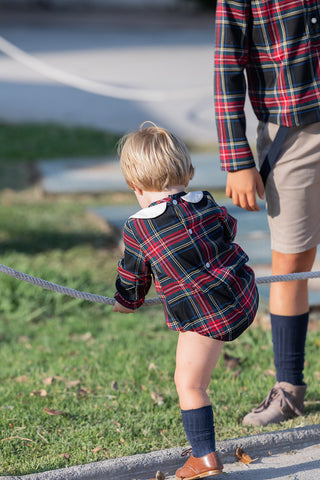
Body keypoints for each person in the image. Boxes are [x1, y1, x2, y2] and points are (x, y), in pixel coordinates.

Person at [113, 122, 259, 480]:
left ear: (134, 185)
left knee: (189, 385)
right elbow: (227, 230)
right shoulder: (206, 202)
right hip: (243, 295)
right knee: (195, 372)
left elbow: (133, 279)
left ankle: (204, 458)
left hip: (205, 315)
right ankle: (203, 455)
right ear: (189, 171)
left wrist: (124, 302)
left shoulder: (139, 228)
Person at [214, 0, 320, 426]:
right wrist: (236, 156)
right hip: (291, 135)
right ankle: (289, 388)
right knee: (291, 257)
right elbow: (227, 67)